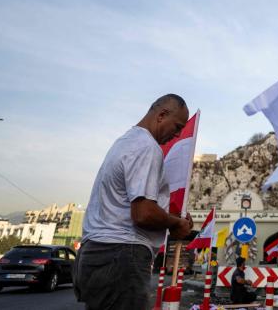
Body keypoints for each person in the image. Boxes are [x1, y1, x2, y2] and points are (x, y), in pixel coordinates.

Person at [74, 94, 194, 310]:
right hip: (121, 254)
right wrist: (175, 224)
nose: (177, 135)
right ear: (161, 115)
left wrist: (170, 218)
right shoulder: (147, 147)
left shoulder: (125, 141)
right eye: (177, 127)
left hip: (98, 253)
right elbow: (143, 213)